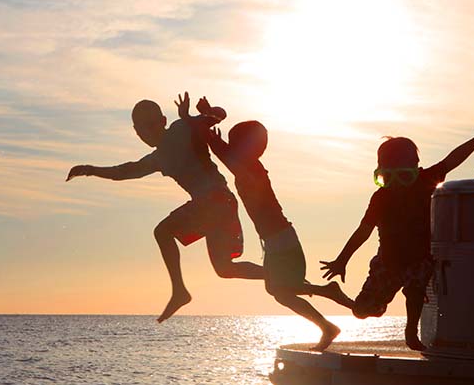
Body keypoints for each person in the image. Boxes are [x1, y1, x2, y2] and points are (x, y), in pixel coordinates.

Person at [66, 94, 263, 322]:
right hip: (217, 205)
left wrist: (195, 115)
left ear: (163, 120)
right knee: (224, 269)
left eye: (151, 125)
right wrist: (89, 169)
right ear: (137, 132)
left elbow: (220, 114)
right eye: (141, 130)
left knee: (162, 231)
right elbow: (124, 172)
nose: (147, 133)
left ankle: (179, 291)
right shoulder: (158, 158)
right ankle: (278, 276)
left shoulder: (181, 129)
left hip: (216, 201)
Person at [320, 125, 474, 350]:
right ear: (380, 171)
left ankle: (411, 332)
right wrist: (342, 260)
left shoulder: (425, 180)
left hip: (419, 258)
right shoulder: (380, 197)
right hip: (387, 262)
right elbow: (363, 231)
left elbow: (453, 159)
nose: (397, 185)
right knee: (361, 311)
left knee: (415, 290)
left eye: (405, 175)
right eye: (388, 176)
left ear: (416, 168)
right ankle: (365, 302)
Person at [192, 97, 355, 351]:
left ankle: (327, 324)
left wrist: (209, 125)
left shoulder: (250, 168)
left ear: (245, 148)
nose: (231, 148)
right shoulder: (249, 165)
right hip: (277, 240)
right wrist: (209, 119)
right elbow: (222, 149)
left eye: (236, 143)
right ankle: (326, 295)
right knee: (279, 288)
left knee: (281, 291)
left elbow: (222, 151)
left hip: (281, 240)